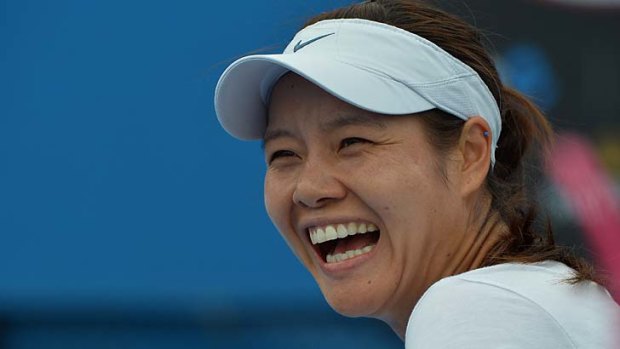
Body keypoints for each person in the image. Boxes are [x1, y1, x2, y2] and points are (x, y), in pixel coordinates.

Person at [213, 0, 620, 347]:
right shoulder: (524, 298)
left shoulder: (475, 308)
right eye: (284, 153)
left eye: (352, 142)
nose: (309, 188)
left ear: (470, 155)